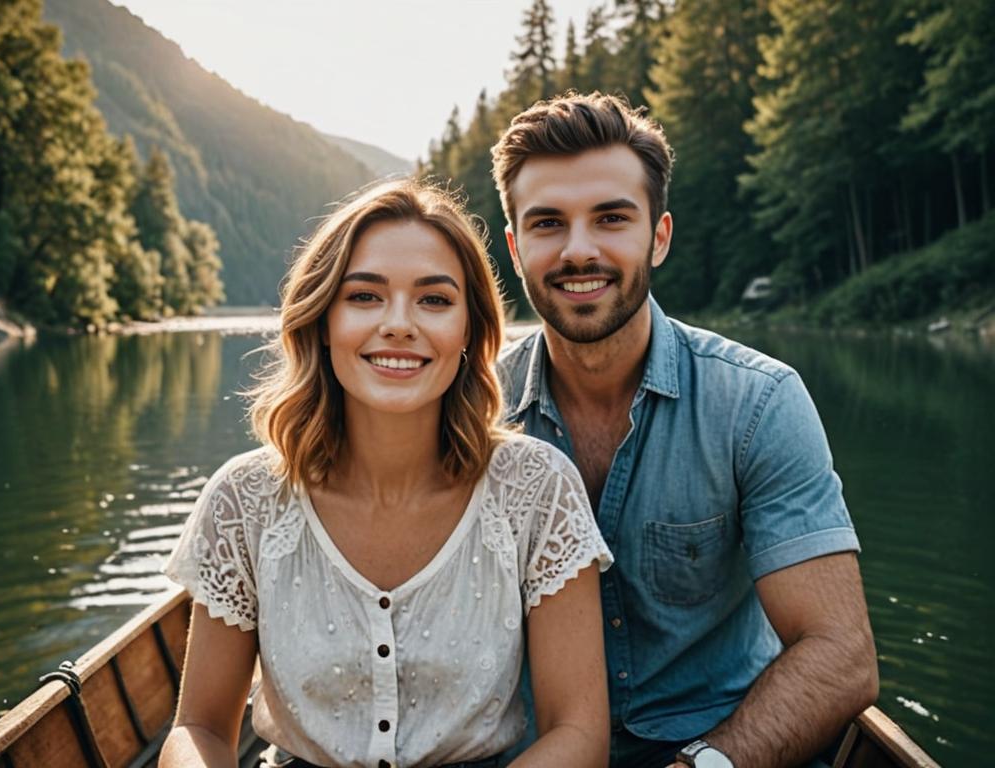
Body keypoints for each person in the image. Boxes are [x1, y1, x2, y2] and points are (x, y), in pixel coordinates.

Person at [159, 179, 613, 768]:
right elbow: (198, 730)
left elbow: (578, 734)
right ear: (322, 321)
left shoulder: (536, 490)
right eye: (365, 297)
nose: (399, 324)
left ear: (471, 334)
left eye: (434, 300)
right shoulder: (244, 500)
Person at [491, 92, 879, 768]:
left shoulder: (757, 404)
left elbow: (841, 655)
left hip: (724, 750)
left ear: (659, 236)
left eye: (611, 219)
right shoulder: (470, 415)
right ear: (516, 246)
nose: (579, 250)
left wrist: (704, 765)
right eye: (548, 223)